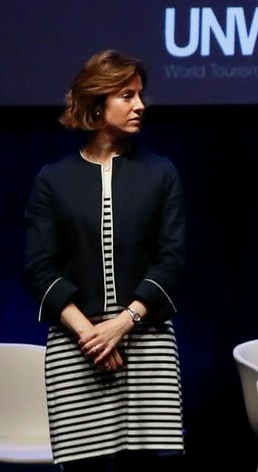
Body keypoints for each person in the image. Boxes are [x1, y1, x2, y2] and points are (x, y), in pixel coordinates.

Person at [24, 50, 185, 467]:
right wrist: (91, 335)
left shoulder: (160, 172)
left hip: (145, 337)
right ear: (98, 103)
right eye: (127, 96)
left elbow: (172, 258)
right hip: (77, 342)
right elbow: (39, 267)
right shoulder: (53, 180)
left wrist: (121, 323)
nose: (140, 106)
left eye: (140, 95)